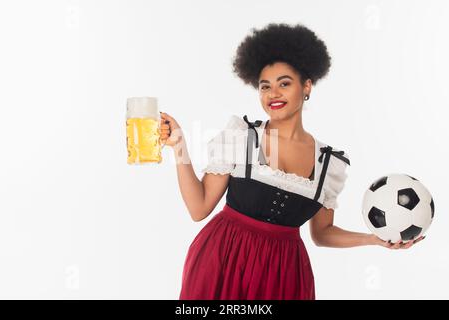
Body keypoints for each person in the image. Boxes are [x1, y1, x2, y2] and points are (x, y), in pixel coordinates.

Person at [158, 23, 425, 300]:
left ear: (306, 86)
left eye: (284, 83)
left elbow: (322, 234)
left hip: (283, 272)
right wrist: (179, 144)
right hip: (224, 258)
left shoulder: (328, 166)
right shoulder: (241, 137)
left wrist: (373, 239)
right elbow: (199, 208)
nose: (273, 94)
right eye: (265, 86)